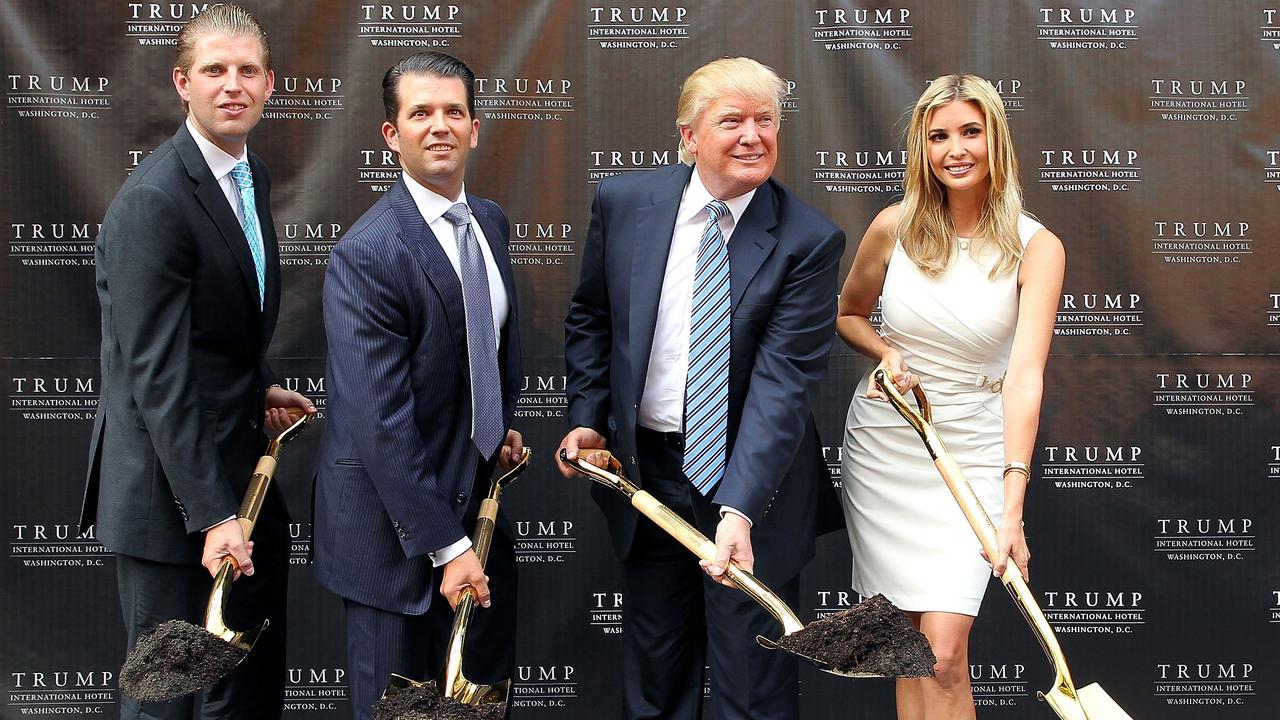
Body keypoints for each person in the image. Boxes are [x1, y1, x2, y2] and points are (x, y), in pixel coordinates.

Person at [557, 57, 844, 720]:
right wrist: (588, 418)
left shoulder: (808, 240)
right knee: (656, 678)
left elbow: (783, 387)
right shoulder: (624, 202)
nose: (753, 135)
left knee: (753, 690)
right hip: (647, 476)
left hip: (754, 489)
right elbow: (592, 318)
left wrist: (738, 509)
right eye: (732, 120)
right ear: (688, 137)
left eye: (765, 120)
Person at [78, 4, 314, 719]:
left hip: (235, 483)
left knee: (238, 696)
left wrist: (254, 389)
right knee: (169, 702)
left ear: (270, 83)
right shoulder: (155, 198)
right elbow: (157, 371)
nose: (232, 85)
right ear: (182, 82)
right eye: (214, 70)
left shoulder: (247, 174)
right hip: (170, 502)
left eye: (247, 70)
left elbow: (214, 335)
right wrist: (212, 514)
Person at [837, 73, 1065, 719]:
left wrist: (1011, 507)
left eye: (971, 132)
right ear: (922, 147)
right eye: (938, 136)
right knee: (906, 649)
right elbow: (850, 313)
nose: (954, 149)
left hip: (973, 450)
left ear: (997, 139)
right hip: (889, 444)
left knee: (942, 650)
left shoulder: (1037, 247)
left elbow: (1025, 377)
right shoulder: (894, 226)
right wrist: (887, 353)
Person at [311, 51, 525, 720]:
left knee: (476, 706)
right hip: (393, 540)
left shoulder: (489, 222)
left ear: (475, 128)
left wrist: (491, 425)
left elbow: (475, 349)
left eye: (454, 112)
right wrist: (447, 546)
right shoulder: (368, 253)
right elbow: (380, 419)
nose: (439, 126)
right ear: (391, 134)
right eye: (420, 113)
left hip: (473, 509)